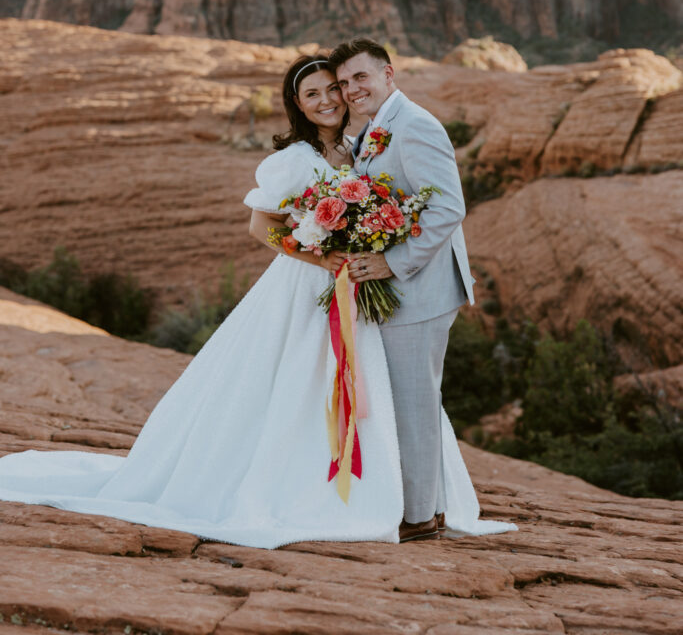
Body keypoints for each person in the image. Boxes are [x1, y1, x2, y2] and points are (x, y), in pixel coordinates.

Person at [0, 54, 515, 547]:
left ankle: (402, 499)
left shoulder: (362, 145)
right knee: (301, 384)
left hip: (356, 287)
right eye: (311, 94)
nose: (327, 99)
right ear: (298, 105)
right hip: (309, 286)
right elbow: (260, 226)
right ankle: (314, 491)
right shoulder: (294, 160)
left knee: (376, 388)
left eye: (332, 88)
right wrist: (321, 260)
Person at [329, 38, 476, 542]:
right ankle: (425, 508)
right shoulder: (375, 128)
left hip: (422, 290)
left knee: (413, 401)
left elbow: (448, 207)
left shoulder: (415, 124)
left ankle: (418, 520)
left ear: (388, 74)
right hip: (407, 292)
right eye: (344, 83)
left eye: (360, 78)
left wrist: (391, 264)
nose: (351, 90)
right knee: (413, 399)